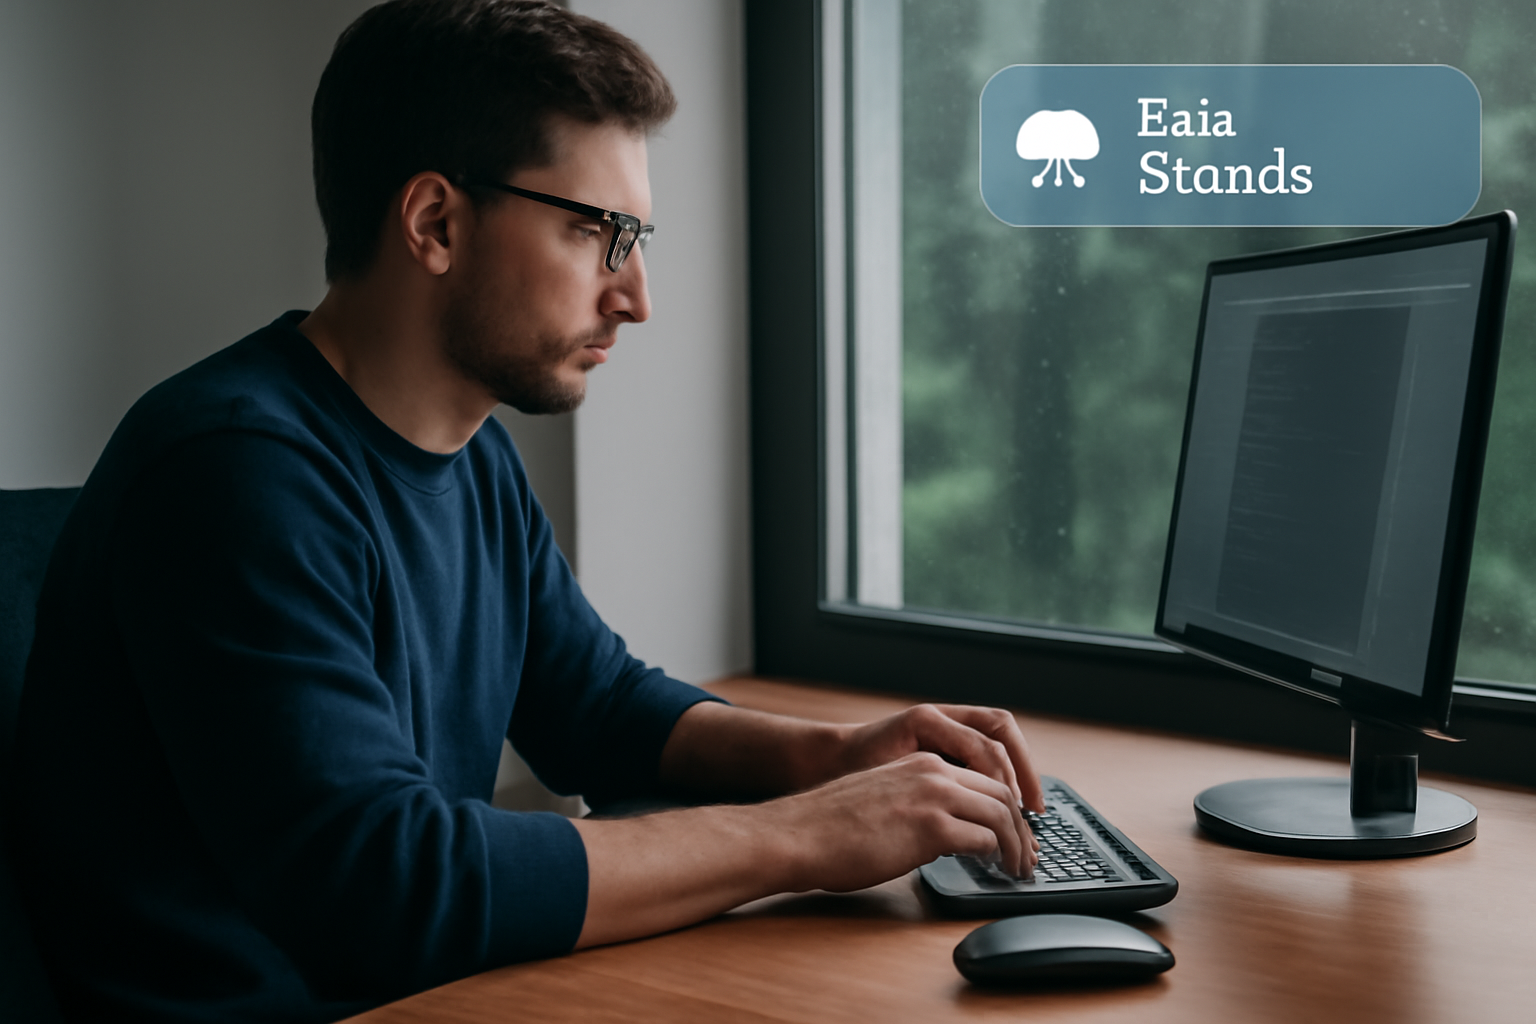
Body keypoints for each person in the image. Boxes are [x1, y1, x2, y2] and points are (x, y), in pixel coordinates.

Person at [14, 2, 1043, 1022]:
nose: (636, 295)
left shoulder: (473, 455)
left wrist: (835, 757)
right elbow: (384, 884)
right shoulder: (234, 469)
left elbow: (592, 707)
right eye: (598, 232)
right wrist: (807, 834)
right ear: (436, 223)